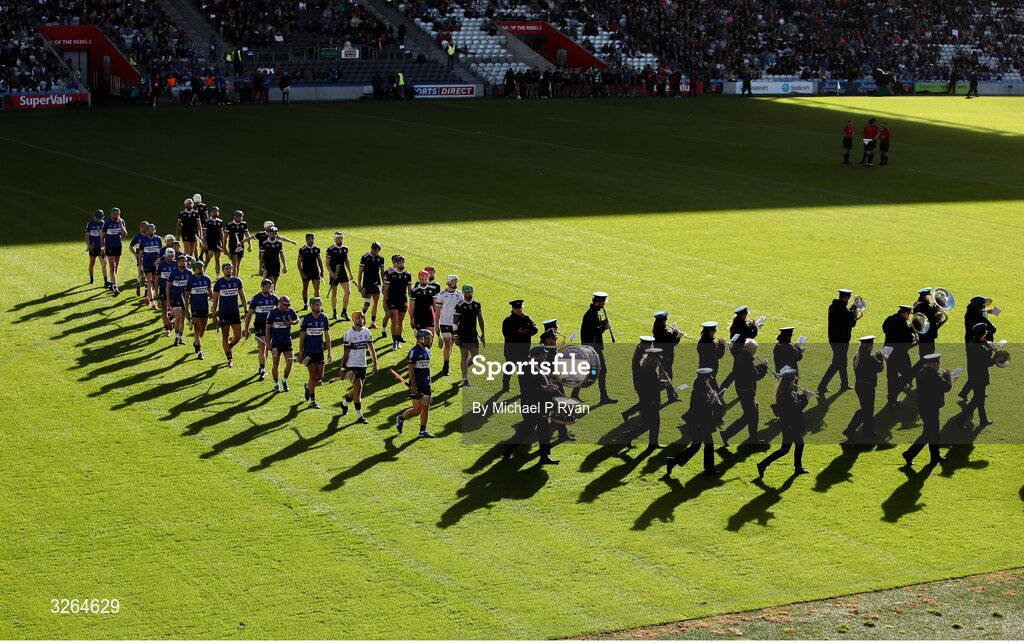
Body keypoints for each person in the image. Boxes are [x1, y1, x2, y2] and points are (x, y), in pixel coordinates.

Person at [502, 345, 560, 465]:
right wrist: (545, 388)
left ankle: (544, 457)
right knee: (527, 429)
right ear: (535, 356)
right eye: (543, 354)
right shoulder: (526, 368)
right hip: (531, 403)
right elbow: (528, 387)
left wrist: (553, 383)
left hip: (541, 402)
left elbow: (545, 380)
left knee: (543, 429)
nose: (545, 355)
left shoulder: (540, 366)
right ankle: (509, 446)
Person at [756, 367, 812, 477]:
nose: (795, 381)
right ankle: (797, 468)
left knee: (787, 449)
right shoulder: (787, 394)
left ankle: (763, 465)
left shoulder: (787, 391)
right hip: (790, 425)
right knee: (794, 446)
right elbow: (797, 408)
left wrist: (803, 395)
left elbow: (795, 397)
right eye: (793, 380)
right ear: (789, 381)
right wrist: (806, 398)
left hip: (789, 424)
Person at [666, 368, 722, 476]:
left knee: (705, 445)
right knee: (698, 446)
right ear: (704, 379)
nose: (710, 379)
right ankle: (673, 461)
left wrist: (714, 399)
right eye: (708, 377)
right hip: (698, 422)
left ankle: (708, 469)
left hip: (702, 421)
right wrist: (712, 401)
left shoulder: (705, 387)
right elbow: (701, 408)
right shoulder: (698, 391)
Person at [901, 354, 951, 467]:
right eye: (938, 364)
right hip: (931, 407)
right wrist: (947, 377)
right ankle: (909, 454)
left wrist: (942, 376)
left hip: (924, 406)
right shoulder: (933, 375)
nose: (939, 366)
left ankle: (935, 456)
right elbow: (946, 387)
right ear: (934, 364)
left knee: (933, 433)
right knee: (929, 434)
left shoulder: (922, 372)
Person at [720, 339, 769, 445]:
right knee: (749, 416)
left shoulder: (741, 357)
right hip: (746, 391)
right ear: (751, 349)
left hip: (741, 389)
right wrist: (764, 368)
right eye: (754, 349)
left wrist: (759, 366)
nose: (755, 352)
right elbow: (756, 376)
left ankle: (753, 438)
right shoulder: (746, 360)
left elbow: (750, 371)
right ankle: (727, 433)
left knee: (754, 412)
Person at [337, 310, 377, 423]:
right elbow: (345, 354)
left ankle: (344, 404)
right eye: (359, 318)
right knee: (358, 389)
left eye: (362, 318)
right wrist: (343, 369)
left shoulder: (367, 332)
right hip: (352, 365)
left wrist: (375, 363)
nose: (361, 320)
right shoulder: (349, 335)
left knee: (356, 389)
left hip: (362, 364)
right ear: (354, 319)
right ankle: (360, 416)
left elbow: (371, 348)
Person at [396, 329, 437, 438]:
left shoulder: (427, 351)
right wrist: (413, 385)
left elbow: (427, 367)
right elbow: (411, 370)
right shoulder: (414, 351)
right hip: (417, 385)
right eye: (428, 338)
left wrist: (430, 381)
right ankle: (401, 418)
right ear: (421, 338)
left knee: (426, 407)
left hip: (426, 384)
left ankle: (422, 431)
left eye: (430, 338)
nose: (430, 340)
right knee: (417, 409)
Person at [578, 292, 617, 404]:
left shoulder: (594, 313)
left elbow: (595, 326)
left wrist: (602, 322)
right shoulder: (591, 314)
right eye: (603, 302)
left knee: (590, 371)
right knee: (601, 371)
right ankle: (603, 397)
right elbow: (593, 331)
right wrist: (604, 327)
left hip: (593, 347)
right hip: (592, 348)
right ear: (599, 302)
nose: (603, 305)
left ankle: (576, 394)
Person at [844, 335, 885, 440]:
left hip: (860, 385)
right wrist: (880, 357)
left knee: (866, 409)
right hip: (867, 387)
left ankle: (864, 431)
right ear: (869, 346)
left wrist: (876, 358)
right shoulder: (869, 358)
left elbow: (870, 365)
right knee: (867, 410)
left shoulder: (858, 356)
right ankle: (853, 430)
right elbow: (879, 368)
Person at [818, 289, 858, 394]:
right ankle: (822, 386)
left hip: (833, 338)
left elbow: (843, 316)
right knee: (837, 363)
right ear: (846, 298)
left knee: (842, 361)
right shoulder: (843, 310)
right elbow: (851, 323)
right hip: (842, 340)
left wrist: (850, 310)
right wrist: (854, 314)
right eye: (848, 297)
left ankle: (844, 384)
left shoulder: (833, 307)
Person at [957, 324, 996, 429]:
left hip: (973, 377)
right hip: (980, 378)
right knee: (976, 401)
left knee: (980, 399)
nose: (986, 336)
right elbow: (988, 362)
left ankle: (983, 420)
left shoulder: (972, 345)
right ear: (981, 335)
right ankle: (959, 421)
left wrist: (988, 346)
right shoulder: (981, 348)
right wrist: (994, 353)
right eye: (985, 335)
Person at [958, 296, 998, 399]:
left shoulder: (969, 313)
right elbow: (993, 329)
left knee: (974, 368)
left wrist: (985, 312)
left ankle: (965, 392)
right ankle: (977, 392)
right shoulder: (979, 317)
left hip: (971, 344)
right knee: (980, 368)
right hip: (981, 344)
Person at [628, 348, 669, 449]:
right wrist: (665, 384)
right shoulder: (649, 371)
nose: (659, 361)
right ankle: (630, 435)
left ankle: (652, 443)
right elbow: (654, 388)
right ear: (652, 359)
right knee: (651, 423)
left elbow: (652, 384)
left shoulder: (647, 368)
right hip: (650, 401)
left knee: (651, 423)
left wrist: (660, 379)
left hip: (648, 400)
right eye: (658, 359)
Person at [297, 297, 332, 409]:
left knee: (320, 376)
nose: (318, 307)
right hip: (309, 352)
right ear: (311, 306)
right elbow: (302, 337)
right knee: (312, 376)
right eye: (316, 305)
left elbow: (327, 335)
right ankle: (313, 401)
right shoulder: (306, 319)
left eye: (319, 304)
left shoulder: (324, 318)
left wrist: (329, 351)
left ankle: (308, 386)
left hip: (319, 351)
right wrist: (301, 353)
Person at [211, 263, 247, 367]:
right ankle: (229, 358)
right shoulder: (219, 283)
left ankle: (229, 347)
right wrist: (214, 315)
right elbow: (215, 300)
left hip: (235, 312)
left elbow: (242, 297)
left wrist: (245, 311)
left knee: (238, 336)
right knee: (225, 336)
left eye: (230, 268)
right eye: (226, 268)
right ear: (222, 270)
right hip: (224, 313)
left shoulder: (237, 281)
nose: (228, 270)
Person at [243, 279, 279, 379]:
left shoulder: (274, 298)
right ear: (262, 287)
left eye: (269, 287)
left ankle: (262, 366)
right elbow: (249, 315)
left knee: (267, 347)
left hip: (271, 325)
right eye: (265, 287)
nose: (267, 289)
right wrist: (246, 329)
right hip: (259, 325)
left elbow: (281, 311)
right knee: (263, 346)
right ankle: (262, 370)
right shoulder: (256, 299)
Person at [719, 305, 759, 394]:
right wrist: (753, 326)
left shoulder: (736, 323)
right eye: (745, 315)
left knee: (737, 370)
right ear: (743, 315)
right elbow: (751, 335)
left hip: (735, 349)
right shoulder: (743, 325)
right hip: (742, 350)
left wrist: (748, 326)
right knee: (746, 369)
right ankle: (753, 389)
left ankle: (722, 388)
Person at [500, 299, 537, 392]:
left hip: (524, 350)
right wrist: (519, 332)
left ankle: (523, 388)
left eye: (520, 307)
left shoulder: (527, 318)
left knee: (523, 371)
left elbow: (535, 329)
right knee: (509, 368)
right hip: (511, 350)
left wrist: (527, 331)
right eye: (517, 308)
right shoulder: (508, 321)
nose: (519, 309)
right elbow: (507, 335)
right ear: (513, 309)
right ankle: (505, 386)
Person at [882, 305, 916, 406]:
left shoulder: (890, 318)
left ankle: (891, 398)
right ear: (905, 313)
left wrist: (908, 330)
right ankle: (894, 394)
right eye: (909, 314)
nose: (909, 316)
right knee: (908, 374)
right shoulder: (902, 322)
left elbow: (886, 330)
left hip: (888, 351)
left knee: (891, 376)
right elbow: (905, 339)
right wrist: (912, 338)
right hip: (899, 353)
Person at [265, 295, 299, 392]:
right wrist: (268, 343)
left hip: (287, 342)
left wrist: (291, 323)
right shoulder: (272, 313)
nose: (286, 308)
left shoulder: (290, 311)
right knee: (276, 364)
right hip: (276, 343)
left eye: (287, 306)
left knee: (290, 362)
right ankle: (276, 383)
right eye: (284, 305)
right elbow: (267, 328)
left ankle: (284, 380)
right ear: (280, 304)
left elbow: (297, 320)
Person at [453, 284, 485, 387]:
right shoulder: (460, 306)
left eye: (471, 292)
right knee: (464, 356)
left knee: (475, 357)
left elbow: (480, 319)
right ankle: (465, 378)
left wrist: (483, 333)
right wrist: (456, 336)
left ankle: (464, 368)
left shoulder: (476, 304)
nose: (469, 294)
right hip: (463, 335)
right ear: (463, 293)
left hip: (473, 335)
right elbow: (455, 323)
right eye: (467, 292)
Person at [621, 336, 658, 423]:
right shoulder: (643, 356)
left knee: (644, 401)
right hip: (642, 383)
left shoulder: (640, 350)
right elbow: (645, 371)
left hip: (639, 382)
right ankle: (629, 414)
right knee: (645, 401)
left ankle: (629, 414)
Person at [382, 254, 413, 351]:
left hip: (402, 300)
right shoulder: (389, 273)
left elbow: (409, 289)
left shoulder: (407, 274)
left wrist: (411, 301)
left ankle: (398, 339)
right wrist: (384, 301)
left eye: (403, 262)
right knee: (394, 320)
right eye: (400, 263)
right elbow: (386, 288)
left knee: (400, 321)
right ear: (396, 263)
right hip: (392, 300)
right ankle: (394, 341)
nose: (402, 264)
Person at [434, 275, 463, 377]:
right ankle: (446, 366)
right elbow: (437, 312)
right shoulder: (441, 295)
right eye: (454, 281)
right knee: (448, 344)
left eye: (456, 281)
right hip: (445, 322)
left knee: (452, 344)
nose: (456, 283)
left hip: (455, 324)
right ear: (449, 282)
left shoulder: (460, 295)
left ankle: (447, 363)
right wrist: (436, 326)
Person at [652, 311, 682, 402]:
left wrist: (674, 334)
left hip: (662, 356)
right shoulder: (662, 332)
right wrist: (678, 336)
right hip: (666, 356)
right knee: (666, 378)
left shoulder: (658, 329)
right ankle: (653, 394)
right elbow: (671, 343)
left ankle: (671, 397)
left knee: (666, 376)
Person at [696, 321, 727, 407]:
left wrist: (717, 345)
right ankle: (714, 409)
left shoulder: (702, 341)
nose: (715, 333)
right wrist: (721, 345)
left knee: (711, 389)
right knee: (712, 391)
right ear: (710, 332)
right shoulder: (710, 343)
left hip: (705, 368)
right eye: (714, 331)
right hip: (710, 371)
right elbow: (719, 355)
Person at [186, 261, 213, 359]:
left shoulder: (207, 279)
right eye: (200, 267)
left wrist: (213, 302)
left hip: (204, 307)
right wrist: (186, 308)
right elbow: (186, 295)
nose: (202, 269)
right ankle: (199, 350)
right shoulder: (191, 280)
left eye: (202, 267)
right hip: (195, 307)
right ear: (195, 269)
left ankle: (196, 342)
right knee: (197, 329)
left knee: (203, 328)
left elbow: (210, 292)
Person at [358, 241, 386, 332]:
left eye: (377, 250)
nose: (375, 252)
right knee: (367, 303)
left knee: (376, 303)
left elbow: (382, 272)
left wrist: (384, 284)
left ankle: (373, 322)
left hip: (376, 283)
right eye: (374, 249)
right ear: (371, 248)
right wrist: (359, 285)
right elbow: (360, 272)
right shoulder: (365, 257)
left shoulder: (381, 258)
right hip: (367, 283)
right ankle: (363, 317)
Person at [326, 232, 353, 320]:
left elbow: (346, 260)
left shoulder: (345, 248)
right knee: (334, 294)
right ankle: (334, 312)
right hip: (334, 273)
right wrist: (331, 273)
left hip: (343, 273)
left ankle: (344, 312)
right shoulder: (330, 249)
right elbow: (327, 263)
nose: (340, 240)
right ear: (335, 239)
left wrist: (350, 272)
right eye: (338, 238)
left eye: (341, 238)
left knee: (348, 292)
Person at [166, 254, 193, 346]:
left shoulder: (189, 273)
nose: (182, 263)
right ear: (177, 263)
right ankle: (176, 337)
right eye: (181, 261)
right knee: (178, 318)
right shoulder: (173, 272)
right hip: (176, 298)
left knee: (182, 319)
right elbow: (168, 286)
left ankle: (180, 338)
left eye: (184, 261)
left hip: (185, 299)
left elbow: (191, 287)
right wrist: (168, 300)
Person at [101, 207, 128, 295]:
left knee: (116, 266)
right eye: (114, 214)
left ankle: (113, 282)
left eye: (117, 214)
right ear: (111, 214)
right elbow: (103, 236)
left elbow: (124, 234)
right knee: (112, 266)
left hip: (118, 246)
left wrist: (120, 223)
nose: (115, 216)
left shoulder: (121, 221)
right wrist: (102, 248)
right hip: (109, 246)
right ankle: (115, 286)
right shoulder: (107, 223)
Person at [912, 288, 943, 361]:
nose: (930, 297)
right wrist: (938, 317)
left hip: (922, 334)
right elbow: (931, 319)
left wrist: (933, 310)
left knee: (923, 353)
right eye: (929, 295)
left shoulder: (917, 303)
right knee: (928, 355)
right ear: (925, 296)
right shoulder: (924, 306)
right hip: (927, 335)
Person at [136, 223, 163, 307]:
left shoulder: (158, 239)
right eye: (149, 230)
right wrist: (139, 267)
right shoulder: (143, 240)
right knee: (149, 281)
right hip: (147, 263)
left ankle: (152, 296)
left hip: (156, 264)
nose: (151, 231)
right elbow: (140, 254)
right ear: (147, 230)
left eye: (152, 229)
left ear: (154, 230)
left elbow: (161, 252)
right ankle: (151, 301)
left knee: (156, 281)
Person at [410, 270, 440, 338]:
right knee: (420, 339)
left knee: (430, 337)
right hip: (418, 316)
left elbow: (435, 305)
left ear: (428, 278)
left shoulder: (432, 289)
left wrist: (437, 318)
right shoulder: (414, 291)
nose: (424, 281)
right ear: (419, 279)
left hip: (429, 315)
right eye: (422, 279)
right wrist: (411, 319)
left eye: (425, 279)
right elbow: (411, 306)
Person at [297, 233, 324, 310]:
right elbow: (299, 262)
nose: (311, 240)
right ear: (306, 240)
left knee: (316, 289)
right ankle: (305, 304)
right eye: (309, 239)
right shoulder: (302, 249)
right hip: (306, 271)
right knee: (305, 288)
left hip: (315, 271)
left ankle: (318, 305)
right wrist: (301, 272)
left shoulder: (317, 249)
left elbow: (319, 260)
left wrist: (322, 270)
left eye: (312, 239)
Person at [156, 248, 177, 336]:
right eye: (169, 256)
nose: (171, 258)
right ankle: (167, 328)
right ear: (166, 256)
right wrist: (156, 292)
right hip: (163, 289)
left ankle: (174, 325)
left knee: (175, 309)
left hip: (175, 290)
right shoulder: (161, 265)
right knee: (164, 309)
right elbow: (156, 279)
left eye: (172, 256)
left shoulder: (176, 264)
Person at [85, 210, 109, 286]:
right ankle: (91, 279)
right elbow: (87, 235)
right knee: (92, 263)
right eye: (98, 218)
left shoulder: (104, 224)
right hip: (93, 248)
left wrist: (105, 247)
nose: (99, 219)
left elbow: (106, 236)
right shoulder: (90, 224)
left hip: (101, 248)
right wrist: (88, 245)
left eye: (101, 218)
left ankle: (106, 281)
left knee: (104, 263)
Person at [224, 210, 251, 277]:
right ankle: (233, 277)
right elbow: (225, 237)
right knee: (234, 263)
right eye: (238, 216)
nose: (240, 218)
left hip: (241, 246)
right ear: (234, 217)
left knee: (238, 263)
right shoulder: (230, 225)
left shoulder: (244, 224)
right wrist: (224, 247)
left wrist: (250, 245)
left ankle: (236, 277)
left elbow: (247, 235)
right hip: (233, 245)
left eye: (241, 217)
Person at [128, 219, 149, 297]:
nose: (144, 228)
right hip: (139, 258)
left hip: (148, 257)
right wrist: (135, 254)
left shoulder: (149, 236)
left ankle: (146, 291)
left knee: (147, 274)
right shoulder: (137, 237)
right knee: (140, 274)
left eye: (146, 227)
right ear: (140, 228)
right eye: (143, 227)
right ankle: (138, 286)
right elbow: (130, 247)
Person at [202, 206, 225, 275]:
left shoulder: (220, 222)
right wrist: (205, 243)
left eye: (217, 211)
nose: (215, 213)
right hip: (209, 243)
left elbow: (221, 233)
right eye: (214, 211)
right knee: (207, 259)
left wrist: (223, 244)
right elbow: (204, 233)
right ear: (211, 212)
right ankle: (203, 272)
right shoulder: (207, 221)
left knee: (217, 259)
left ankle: (217, 275)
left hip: (217, 243)